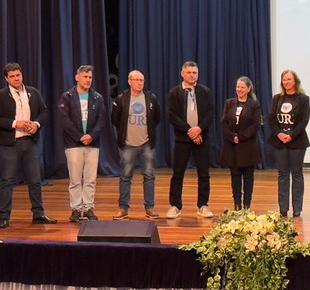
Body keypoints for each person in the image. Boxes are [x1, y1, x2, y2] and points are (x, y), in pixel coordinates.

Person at [0, 63, 56, 228]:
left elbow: (44, 112)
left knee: (35, 180)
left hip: (30, 143)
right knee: (7, 180)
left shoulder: (33, 92)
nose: (16, 79)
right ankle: (3, 216)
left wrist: (36, 124)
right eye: (12, 76)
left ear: (21, 75)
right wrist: (15, 123)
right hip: (10, 145)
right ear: (6, 79)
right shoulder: (2, 96)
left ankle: (39, 214)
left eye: (18, 75)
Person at [57, 65, 106, 222]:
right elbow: (64, 120)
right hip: (73, 144)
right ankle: (76, 209)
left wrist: (91, 135)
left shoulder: (97, 98)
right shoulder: (67, 97)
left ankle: (89, 208)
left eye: (90, 77)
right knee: (75, 179)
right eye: (85, 77)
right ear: (77, 78)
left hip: (92, 144)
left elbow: (101, 119)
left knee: (90, 179)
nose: (88, 80)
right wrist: (80, 137)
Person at [167, 61, 215, 219]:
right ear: (182, 73)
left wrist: (199, 128)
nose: (192, 75)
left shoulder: (205, 91)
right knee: (178, 173)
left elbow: (210, 113)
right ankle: (175, 206)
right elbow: (172, 116)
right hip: (183, 139)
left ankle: (203, 205)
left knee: (204, 173)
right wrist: (190, 131)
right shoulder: (175, 93)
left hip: (202, 139)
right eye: (189, 72)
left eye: (194, 73)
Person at [111, 70, 160, 220]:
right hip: (128, 144)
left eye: (141, 80)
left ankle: (150, 208)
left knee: (149, 176)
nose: (140, 83)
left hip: (146, 144)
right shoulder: (121, 99)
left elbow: (156, 118)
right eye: (137, 80)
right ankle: (123, 209)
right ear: (129, 81)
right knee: (125, 177)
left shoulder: (151, 98)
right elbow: (115, 119)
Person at [268, 70, 310, 217]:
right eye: (284, 80)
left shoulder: (303, 99)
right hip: (279, 141)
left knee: (297, 174)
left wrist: (291, 135)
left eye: (288, 79)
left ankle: (297, 208)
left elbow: (304, 120)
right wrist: (279, 134)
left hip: (297, 141)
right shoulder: (277, 98)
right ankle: (283, 208)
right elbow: (272, 119)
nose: (286, 82)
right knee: (283, 174)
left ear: (295, 81)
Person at [220, 77, 263, 211]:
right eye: (238, 87)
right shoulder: (229, 103)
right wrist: (232, 137)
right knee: (235, 176)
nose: (239, 89)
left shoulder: (254, 105)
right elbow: (224, 122)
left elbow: (256, 125)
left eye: (242, 87)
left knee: (248, 177)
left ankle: (247, 206)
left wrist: (240, 137)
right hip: (232, 146)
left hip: (248, 146)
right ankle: (237, 205)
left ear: (249, 89)